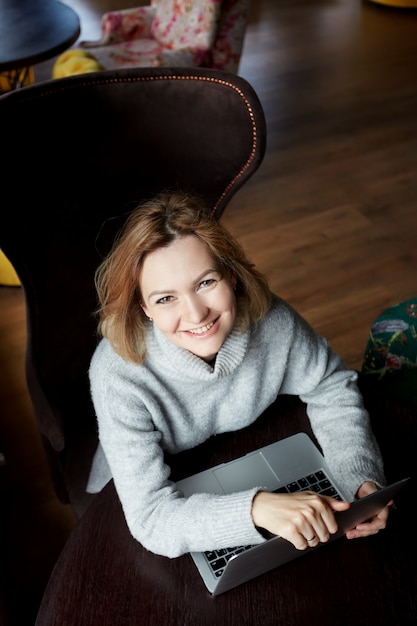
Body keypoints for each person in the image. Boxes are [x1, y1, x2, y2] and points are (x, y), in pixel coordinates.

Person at [87, 190, 390, 558]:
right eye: (166, 298)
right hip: (144, 495)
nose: (197, 314)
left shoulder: (271, 321)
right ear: (144, 307)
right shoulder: (117, 373)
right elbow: (151, 518)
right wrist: (257, 508)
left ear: (231, 275)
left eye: (205, 283)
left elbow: (330, 386)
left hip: (239, 454)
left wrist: (359, 479)